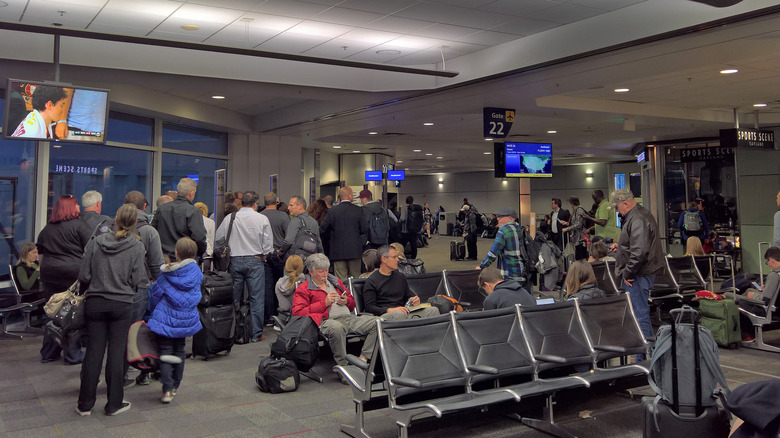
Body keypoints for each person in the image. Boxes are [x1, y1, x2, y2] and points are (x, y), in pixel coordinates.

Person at [76, 204, 147, 417]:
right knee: (117, 353)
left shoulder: (96, 242)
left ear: (115, 219)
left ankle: (84, 405)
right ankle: (114, 403)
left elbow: (84, 276)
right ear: (135, 223)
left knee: (93, 352)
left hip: (95, 302)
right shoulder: (136, 247)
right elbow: (138, 279)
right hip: (122, 303)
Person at [291, 253, 378, 376]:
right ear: (311, 272)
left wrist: (347, 301)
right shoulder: (304, 288)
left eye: (326, 270)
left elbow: (352, 303)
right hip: (325, 321)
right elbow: (298, 313)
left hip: (348, 318)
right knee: (336, 327)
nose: (325, 274)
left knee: (377, 323)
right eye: (321, 272)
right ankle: (344, 367)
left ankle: (362, 360)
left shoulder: (335, 282)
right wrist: (324, 303)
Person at [147, 237, 203, 404]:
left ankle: (167, 389)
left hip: (166, 318)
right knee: (180, 351)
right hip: (186, 318)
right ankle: (176, 385)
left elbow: (156, 294)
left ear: (176, 253)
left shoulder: (167, 272)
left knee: (164, 352)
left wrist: (153, 311)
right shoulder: (197, 273)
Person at [37, 195, 92, 364]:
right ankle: (72, 354)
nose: (78, 208)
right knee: (71, 315)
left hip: (50, 275)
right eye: (76, 205)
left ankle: (49, 352)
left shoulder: (47, 229)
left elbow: (40, 255)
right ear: (70, 208)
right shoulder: (80, 226)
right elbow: (91, 250)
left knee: (53, 312)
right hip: (72, 276)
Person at [214, 191, 272, 342]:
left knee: (233, 298)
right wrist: (264, 255)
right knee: (256, 299)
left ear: (241, 203)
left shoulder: (230, 218)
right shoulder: (262, 218)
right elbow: (268, 245)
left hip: (234, 260)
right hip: (255, 260)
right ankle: (256, 334)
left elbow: (219, 238)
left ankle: (232, 332)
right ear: (255, 204)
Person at [611, 189, 665, 350]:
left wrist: (627, 273)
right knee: (639, 314)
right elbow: (638, 245)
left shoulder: (637, 219)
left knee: (639, 315)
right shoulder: (639, 215)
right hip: (640, 272)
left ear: (625, 203)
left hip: (638, 275)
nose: (616, 210)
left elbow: (639, 252)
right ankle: (645, 354)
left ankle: (646, 356)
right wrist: (621, 246)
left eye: (617, 206)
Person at [122, 191, 165, 387]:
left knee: (121, 331)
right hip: (142, 287)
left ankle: (121, 372)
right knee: (142, 329)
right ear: (145, 207)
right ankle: (144, 371)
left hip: (117, 288)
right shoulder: (149, 231)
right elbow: (156, 263)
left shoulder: (113, 227)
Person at [362, 245, 439, 320]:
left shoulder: (400, 277)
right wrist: (388, 310)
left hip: (403, 311)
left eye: (397, 257)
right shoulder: (372, 281)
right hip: (386, 315)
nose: (397, 259)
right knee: (399, 314)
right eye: (394, 257)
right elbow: (369, 307)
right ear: (384, 259)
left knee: (433, 310)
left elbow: (408, 296)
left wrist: (414, 300)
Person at [151, 177, 207, 260]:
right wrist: (198, 253)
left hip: (164, 258)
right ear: (191, 193)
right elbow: (199, 237)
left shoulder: (162, 209)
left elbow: (153, 231)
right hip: (185, 258)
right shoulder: (193, 211)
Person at [320, 187, 367, 280]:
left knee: (341, 280)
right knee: (355, 279)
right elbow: (364, 229)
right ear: (349, 195)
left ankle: (343, 295)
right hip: (354, 251)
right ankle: (354, 294)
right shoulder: (359, 210)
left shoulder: (332, 211)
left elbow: (323, 229)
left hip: (338, 252)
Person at [261, 192, 290, 326]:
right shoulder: (283, 216)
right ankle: (281, 315)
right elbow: (289, 236)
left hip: (265, 255)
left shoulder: (260, 215)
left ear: (264, 202)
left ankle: (268, 317)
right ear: (277, 202)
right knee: (282, 284)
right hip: (280, 254)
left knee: (267, 286)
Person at [477, 208, 527, 283]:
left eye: (501, 217)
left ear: (510, 218)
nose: (498, 219)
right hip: (522, 271)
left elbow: (494, 252)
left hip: (509, 273)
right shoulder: (521, 229)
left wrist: (481, 266)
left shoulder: (503, 230)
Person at [281, 196, 324, 260]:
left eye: (291, 205)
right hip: (310, 260)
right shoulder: (314, 222)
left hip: (295, 260)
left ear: (300, 206)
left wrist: (280, 254)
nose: (288, 208)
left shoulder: (295, 221)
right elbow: (318, 243)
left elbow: (288, 241)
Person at [275, 255, 305, 324]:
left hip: (283, 321)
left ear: (286, 266)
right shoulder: (306, 282)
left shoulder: (279, 283)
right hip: (303, 320)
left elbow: (284, 307)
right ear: (302, 267)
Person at [562, 196, 589, 260]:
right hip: (577, 237)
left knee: (581, 257)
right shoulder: (576, 210)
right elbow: (575, 223)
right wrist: (567, 223)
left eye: (570, 203)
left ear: (573, 203)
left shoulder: (579, 210)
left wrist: (567, 229)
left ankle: (581, 269)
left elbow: (578, 224)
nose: (570, 205)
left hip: (580, 237)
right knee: (578, 255)